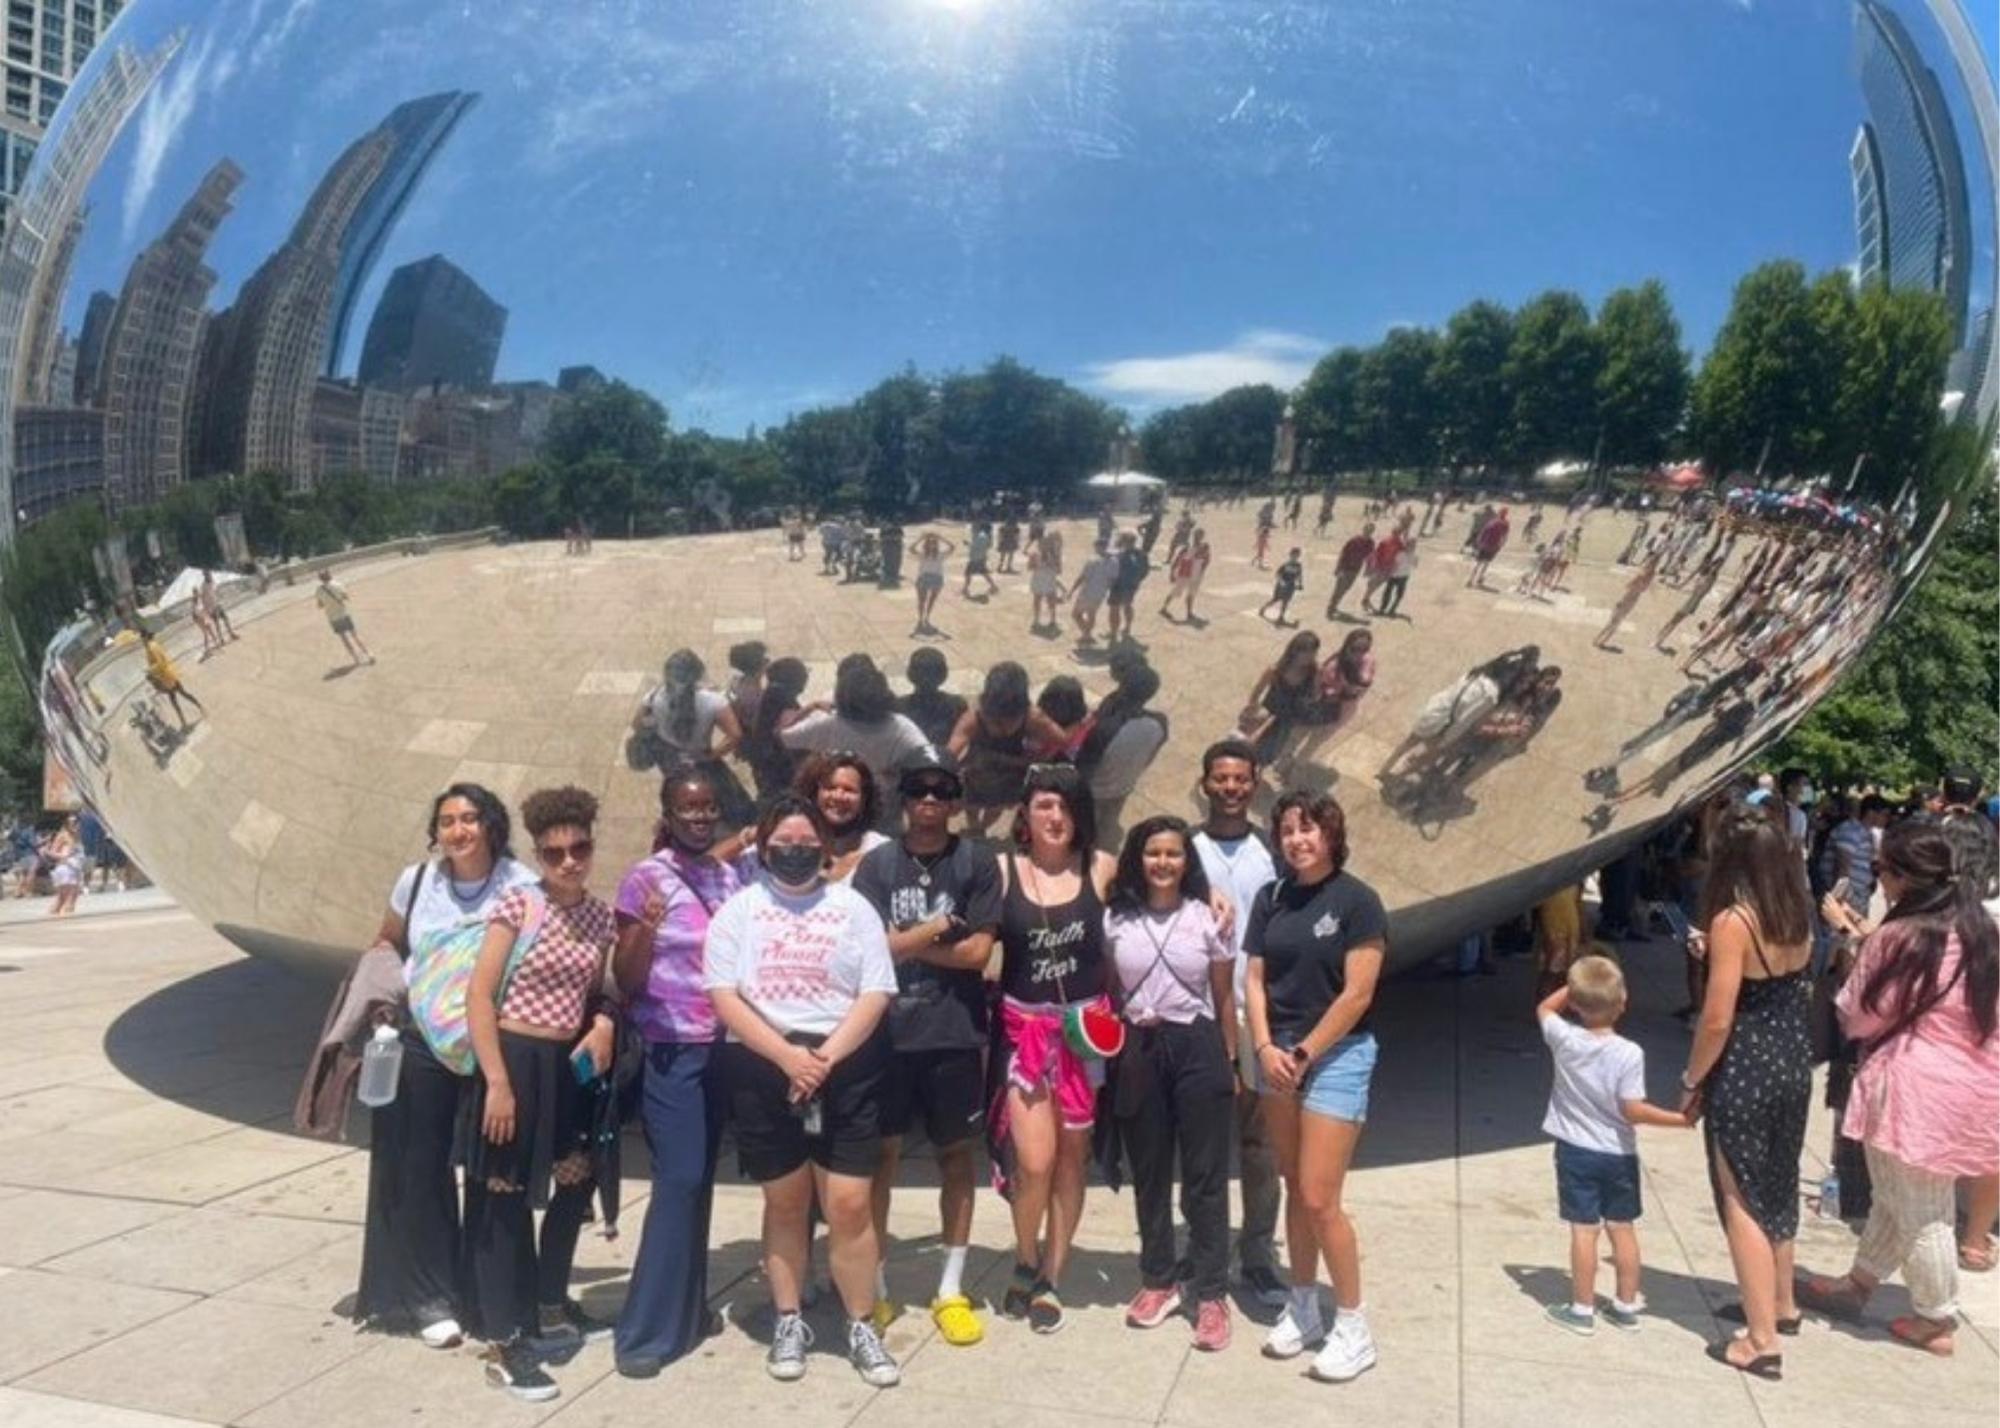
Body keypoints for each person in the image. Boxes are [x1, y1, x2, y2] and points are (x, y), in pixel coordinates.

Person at [705, 796, 901, 1387]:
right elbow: (723, 996)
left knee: (848, 1204)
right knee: (786, 1202)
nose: (795, 853)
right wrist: (788, 1056)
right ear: (764, 848)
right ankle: (789, 1317)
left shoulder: (853, 907)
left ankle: (861, 1322)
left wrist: (823, 1058)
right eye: (783, 844)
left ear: (823, 847)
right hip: (765, 1065)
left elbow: (876, 990)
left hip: (845, 1064)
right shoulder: (739, 911)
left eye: (806, 844)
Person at [1798, 820, 1999, 1356]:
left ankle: (1937, 1317)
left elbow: (1860, 1015)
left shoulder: (1900, 936)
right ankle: (1861, 1282)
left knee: (1923, 1210)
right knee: (1898, 1196)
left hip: (1913, 1086)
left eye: (1885, 869)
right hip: (1975, 1082)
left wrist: (1849, 945)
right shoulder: (1982, 930)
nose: (1879, 878)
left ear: (1907, 879)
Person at [355, 785, 535, 1348]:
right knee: (417, 1167)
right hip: (422, 1042)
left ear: (491, 825)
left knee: (491, 1170)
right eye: (448, 821)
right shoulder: (417, 882)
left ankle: (488, 1294)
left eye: (470, 819)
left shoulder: (522, 885)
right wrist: (388, 994)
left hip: (494, 1045)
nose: (458, 831)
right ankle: (428, 1295)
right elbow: (387, 940)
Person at [461, 787, 619, 1401]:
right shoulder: (517, 907)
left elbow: (601, 991)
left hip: (567, 1068)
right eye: (554, 853)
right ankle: (504, 1341)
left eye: (579, 848)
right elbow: (481, 995)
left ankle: (550, 1304)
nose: (569, 862)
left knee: (573, 1183)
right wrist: (497, 1081)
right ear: (539, 854)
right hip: (515, 1063)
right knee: (502, 1199)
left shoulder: (600, 917)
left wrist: (604, 1021)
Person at [851, 753, 1003, 1348]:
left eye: (943, 791)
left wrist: (906, 944)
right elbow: (866, 950)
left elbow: (976, 957)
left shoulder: (975, 862)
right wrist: (938, 930)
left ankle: (950, 1288)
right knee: (880, 1162)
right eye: (919, 790)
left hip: (952, 1033)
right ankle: (880, 1288)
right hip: (886, 1035)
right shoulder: (877, 864)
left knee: (956, 1159)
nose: (931, 800)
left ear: (956, 802)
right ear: (904, 800)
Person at [1245, 792, 1386, 1383]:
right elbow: (1253, 977)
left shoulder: (1357, 901)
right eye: (1288, 830)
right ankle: (1302, 1305)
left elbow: (1358, 993)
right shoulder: (1271, 897)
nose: (1298, 840)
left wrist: (1304, 1052)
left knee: (1321, 1197)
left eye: (1309, 829)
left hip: (1336, 1057)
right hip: (1278, 1057)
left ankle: (1353, 1325)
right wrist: (1264, 1047)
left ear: (1331, 834)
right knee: (1293, 1187)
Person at [610, 769, 744, 1378]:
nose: (699, 816)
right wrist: (648, 926)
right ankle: (644, 1332)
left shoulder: (725, 875)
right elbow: (629, 976)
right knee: (679, 1180)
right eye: (689, 807)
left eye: (709, 807)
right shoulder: (646, 877)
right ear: (668, 810)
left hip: (720, 1048)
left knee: (699, 1182)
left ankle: (687, 1313)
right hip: (671, 1049)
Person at [1676, 804, 1813, 1380]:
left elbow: (1716, 1019)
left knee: (1741, 1200)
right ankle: (1781, 1304)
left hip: (1747, 1068)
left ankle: (1759, 1340)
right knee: (1777, 1186)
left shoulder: (1735, 920)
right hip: (1793, 1061)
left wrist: (1691, 1079)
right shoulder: (1797, 911)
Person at [992, 764, 1120, 1334]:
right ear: (1027, 813)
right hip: (1026, 1036)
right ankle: (1023, 1253)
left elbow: (1164, 887)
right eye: (1045, 805)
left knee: (1073, 1158)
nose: (1056, 817)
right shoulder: (1002, 872)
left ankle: (1051, 1273)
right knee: (1034, 1161)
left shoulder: (1102, 868)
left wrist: (1210, 892)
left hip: (1083, 1035)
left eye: (1067, 807)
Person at [1105, 816, 1238, 1350]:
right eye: (1153, 853)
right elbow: (1111, 989)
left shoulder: (1209, 917)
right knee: (1150, 1171)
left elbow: (1223, 993)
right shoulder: (1116, 918)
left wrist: (1230, 1059)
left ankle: (1210, 1292)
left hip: (1196, 1043)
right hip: (1139, 1047)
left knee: (1205, 1175)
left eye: (1174, 854)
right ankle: (1158, 1277)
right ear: (1138, 858)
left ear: (1188, 862)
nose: (1163, 863)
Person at [1535, 956, 1691, 1336]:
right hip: (1618, 1153)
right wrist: (1679, 1119)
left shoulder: (1565, 1038)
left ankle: (1582, 1307)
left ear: (1574, 1001)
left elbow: (1543, 1008)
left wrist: (1572, 989)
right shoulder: (1629, 1053)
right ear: (1623, 1001)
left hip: (1575, 1150)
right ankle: (1624, 1304)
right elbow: (1632, 1109)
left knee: (1583, 1229)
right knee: (1622, 1228)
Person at [1190, 741, 1286, 1307]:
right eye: (1220, 779)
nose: (1230, 788)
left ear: (1254, 784)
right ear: (1205, 784)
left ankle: (1256, 1253)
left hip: (1258, 1008)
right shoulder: (1186, 848)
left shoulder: (1270, 850)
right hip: (1196, 1008)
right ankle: (1203, 1252)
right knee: (1201, 1142)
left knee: (1260, 1142)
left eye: (1240, 779)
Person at [780, 657, 932, 799]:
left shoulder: (830, 723)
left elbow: (785, 736)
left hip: (838, 798)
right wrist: (900, 772)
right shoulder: (900, 726)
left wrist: (810, 707)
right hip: (883, 802)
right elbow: (929, 761)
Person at [634, 650, 754, 826]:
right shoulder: (713, 701)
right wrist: (712, 755)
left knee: (676, 788)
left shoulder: (654, 696)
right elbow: (735, 734)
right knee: (725, 799)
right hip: (701, 759)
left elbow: (637, 724)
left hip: (670, 757)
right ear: (698, 673)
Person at [950, 662, 1066, 838]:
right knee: (997, 807)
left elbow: (949, 754)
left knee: (971, 805)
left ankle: (974, 828)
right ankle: (981, 828)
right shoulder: (1031, 716)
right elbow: (1061, 739)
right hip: (1010, 775)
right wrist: (1037, 759)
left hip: (977, 774)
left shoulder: (975, 718)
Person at [1079, 663, 1169, 846]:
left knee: (1086, 825)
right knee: (1110, 818)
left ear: (1121, 687)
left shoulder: (1106, 730)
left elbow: (1083, 769)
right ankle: (1104, 840)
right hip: (1124, 785)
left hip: (1096, 791)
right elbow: (1150, 756)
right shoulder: (1160, 723)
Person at [1240, 632, 1322, 772]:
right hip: (1268, 715)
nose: (1309, 657)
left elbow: (1315, 695)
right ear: (1294, 650)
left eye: (1313, 652)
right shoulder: (1275, 670)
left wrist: (1308, 703)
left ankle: (1259, 771)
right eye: (1305, 652)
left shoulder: (1314, 671)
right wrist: (1253, 711)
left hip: (1288, 718)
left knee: (1274, 748)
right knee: (1255, 743)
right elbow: (1257, 692)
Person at [739, 657, 810, 803]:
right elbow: (790, 731)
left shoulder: (770, 693)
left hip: (766, 763)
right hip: (781, 767)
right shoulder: (784, 698)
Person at [897, 648, 968, 750]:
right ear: (944, 675)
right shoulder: (957, 705)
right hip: (943, 762)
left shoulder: (898, 707)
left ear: (910, 675)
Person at [1593, 555, 1660, 651]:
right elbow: (1644, 589)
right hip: (1634, 599)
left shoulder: (1640, 575)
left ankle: (1598, 639)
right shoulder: (1650, 576)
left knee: (1612, 620)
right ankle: (1603, 640)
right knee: (1618, 621)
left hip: (1627, 598)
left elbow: (1628, 586)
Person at [141, 632, 205, 729]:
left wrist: (151, 670)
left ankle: (195, 711)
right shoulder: (151, 646)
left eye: (142, 638)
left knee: (179, 695)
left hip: (167, 676)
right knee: (177, 697)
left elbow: (160, 662)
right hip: (165, 675)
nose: (141, 641)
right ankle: (188, 717)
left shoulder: (152, 647)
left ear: (145, 637)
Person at [316, 569, 374, 665]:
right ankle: (368, 654)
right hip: (343, 613)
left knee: (344, 638)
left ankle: (356, 658)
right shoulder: (337, 585)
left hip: (332, 617)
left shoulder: (319, 590)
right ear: (329, 575)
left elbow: (319, 606)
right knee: (355, 635)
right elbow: (346, 597)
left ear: (320, 579)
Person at [1070, 539, 1118, 646]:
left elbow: (1082, 577)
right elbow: (1113, 580)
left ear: (1098, 547)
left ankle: (1086, 635)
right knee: (1091, 614)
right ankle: (1087, 634)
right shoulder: (1114, 561)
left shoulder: (1092, 560)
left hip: (1087, 592)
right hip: (1101, 593)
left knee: (1076, 614)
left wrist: (1071, 591)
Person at [1104, 531, 1149, 644]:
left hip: (1118, 585)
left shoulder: (1118, 555)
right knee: (1128, 605)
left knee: (1114, 609)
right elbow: (1145, 571)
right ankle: (1127, 627)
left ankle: (1113, 633)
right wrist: (1137, 581)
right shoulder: (1142, 554)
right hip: (1132, 586)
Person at [1159, 527, 1211, 623]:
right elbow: (1177, 560)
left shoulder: (1204, 547)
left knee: (1191, 593)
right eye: (1197, 535)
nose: (1198, 537)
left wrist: (1202, 570)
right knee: (1176, 591)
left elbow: (1207, 559)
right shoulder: (1187, 547)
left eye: (1200, 535)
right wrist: (1172, 572)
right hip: (1185, 573)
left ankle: (1189, 612)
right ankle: (1164, 608)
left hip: (1196, 573)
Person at [1325, 524, 1375, 618]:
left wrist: (1369, 569)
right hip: (1345, 568)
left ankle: (1334, 606)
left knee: (1346, 589)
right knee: (1338, 589)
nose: (1368, 532)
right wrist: (1338, 568)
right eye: (1367, 530)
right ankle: (1330, 609)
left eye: (1371, 531)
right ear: (1363, 530)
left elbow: (1370, 556)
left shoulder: (1370, 543)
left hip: (1355, 569)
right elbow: (1343, 553)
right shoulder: (1354, 540)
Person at [912, 532, 955, 634]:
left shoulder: (940, 555)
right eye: (930, 542)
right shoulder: (922, 555)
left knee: (932, 600)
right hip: (923, 578)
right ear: (926, 544)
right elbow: (911, 549)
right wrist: (921, 538)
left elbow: (952, 547)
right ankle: (920, 618)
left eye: (934, 542)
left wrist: (941, 537)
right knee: (922, 601)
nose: (932, 544)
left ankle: (927, 617)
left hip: (936, 579)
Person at [1027, 530, 1067, 634]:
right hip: (1038, 578)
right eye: (1041, 543)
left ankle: (1053, 620)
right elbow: (1029, 568)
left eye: (1046, 543)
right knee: (1037, 599)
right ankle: (1036, 619)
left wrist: (1051, 563)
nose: (1043, 545)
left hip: (1049, 579)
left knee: (1051, 600)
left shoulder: (1055, 555)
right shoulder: (1034, 554)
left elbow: (1059, 570)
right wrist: (1036, 564)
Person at [43, 815, 84, 916]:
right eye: (72, 823)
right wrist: (63, 856)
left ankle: (58, 916)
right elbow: (50, 852)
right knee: (65, 897)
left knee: (71, 896)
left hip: (76, 868)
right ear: (66, 824)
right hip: (65, 868)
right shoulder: (62, 835)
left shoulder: (77, 835)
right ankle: (59, 917)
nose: (75, 825)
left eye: (77, 822)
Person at [1372, 536, 1418, 618]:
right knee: (1387, 593)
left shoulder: (1414, 556)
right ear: (1406, 545)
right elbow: (1394, 564)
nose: (1411, 546)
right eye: (1409, 544)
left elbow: (1415, 566)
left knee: (1399, 595)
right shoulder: (1400, 554)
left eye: (1413, 545)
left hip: (1404, 577)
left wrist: (1412, 558)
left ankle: (1392, 610)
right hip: (1394, 576)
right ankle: (1382, 609)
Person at [1466, 507, 1510, 589]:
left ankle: (1470, 579)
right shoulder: (1505, 523)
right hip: (1493, 546)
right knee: (1485, 563)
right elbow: (1505, 537)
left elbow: (1483, 532)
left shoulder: (1492, 521)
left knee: (1477, 563)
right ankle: (1479, 578)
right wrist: (1501, 545)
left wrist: (1479, 542)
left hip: (1484, 544)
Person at [1260, 548, 1305, 625]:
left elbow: (1299, 575)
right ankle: (1263, 608)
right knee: (1275, 599)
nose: (1295, 557)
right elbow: (1278, 574)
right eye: (1293, 555)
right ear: (1290, 555)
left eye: (1297, 556)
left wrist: (1300, 584)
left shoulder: (1298, 565)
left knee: (1285, 602)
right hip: (1281, 586)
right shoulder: (1285, 565)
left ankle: (1281, 616)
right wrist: (1281, 582)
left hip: (1291, 586)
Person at [962, 521, 999, 599]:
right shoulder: (981, 535)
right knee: (984, 573)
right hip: (980, 558)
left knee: (968, 573)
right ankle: (993, 586)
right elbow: (988, 546)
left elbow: (976, 547)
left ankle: (965, 589)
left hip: (976, 559)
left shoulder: (981, 536)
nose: (972, 529)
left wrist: (967, 544)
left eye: (973, 528)